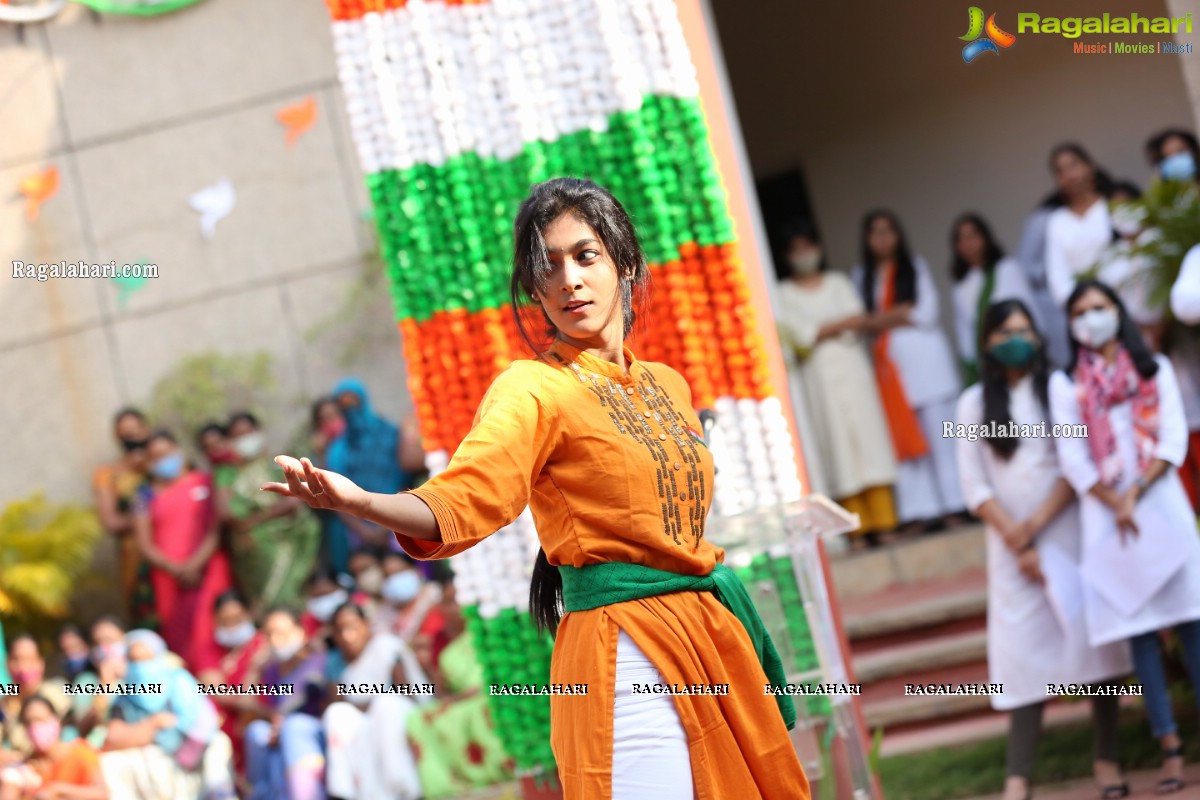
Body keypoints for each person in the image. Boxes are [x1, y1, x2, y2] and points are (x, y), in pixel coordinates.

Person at [265, 177, 812, 799]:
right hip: (626, 654)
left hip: (708, 632)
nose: (569, 279)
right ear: (534, 289)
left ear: (624, 263)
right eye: (547, 267)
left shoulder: (667, 385)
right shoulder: (532, 387)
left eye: (585, 256)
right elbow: (465, 495)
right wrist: (358, 501)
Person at [955, 299, 1132, 800]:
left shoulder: (1058, 388)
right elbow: (974, 485)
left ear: (1037, 336)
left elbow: (1073, 464)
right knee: (1022, 656)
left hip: (1065, 532)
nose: (1016, 339)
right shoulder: (971, 405)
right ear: (988, 343)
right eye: (1004, 331)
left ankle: (1108, 762)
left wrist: (1034, 527)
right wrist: (1017, 538)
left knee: (1094, 648)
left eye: (1024, 329)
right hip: (1009, 547)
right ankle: (1018, 779)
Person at [1049, 280, 1200, 795]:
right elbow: (1073, 459)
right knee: (1143, 641)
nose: (1092, 318)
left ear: (1118, 311)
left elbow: (1173, 437)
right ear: (1070, 324)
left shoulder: (1152, 366)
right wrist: (1117, 501)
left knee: (1193, 628)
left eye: (1100, 308)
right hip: (1109, 523)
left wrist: (1135, 492)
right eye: (1081, 312)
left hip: (1161, 512)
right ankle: (1171, 752)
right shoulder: (1067, 385)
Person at [774, 220, 899, 547]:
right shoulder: (782, 293)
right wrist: (833, 327)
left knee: (869, 441)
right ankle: (854, 530)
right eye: (796, 249)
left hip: (852, 368)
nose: (804, 254)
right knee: (837, 448)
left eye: (808, 246)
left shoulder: (838, 281)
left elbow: (858, 319)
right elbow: (798, 334)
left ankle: (885, 523)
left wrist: (821, 329)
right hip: (819, 379)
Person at [852, 209, 968, 535]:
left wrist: (881, 318)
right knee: (906, 447)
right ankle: (921, 511)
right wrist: (898, 314)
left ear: (898, 235)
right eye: (876, 231)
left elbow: (926, 313)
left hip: (929, 366)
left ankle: (955, 506)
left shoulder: (913, 266)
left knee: (942, 441)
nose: (883, 238)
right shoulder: (862, 277)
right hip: (893, 373)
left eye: (889, 230)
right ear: (867, 239)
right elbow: (863, 322)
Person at [133, 431, 234, 672]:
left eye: (167, 453)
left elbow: (215, 526)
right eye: (155, 457)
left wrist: (196, 563)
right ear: (148, 463)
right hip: (169, 578)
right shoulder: (144, 496)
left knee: (217, 624)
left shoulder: (205, 481)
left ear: (179, 450)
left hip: (209, 568)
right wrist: (175, 569)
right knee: (186, 636)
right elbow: (144, 545)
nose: (164, 460)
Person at [405, 586, 514, 798]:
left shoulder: (490, 630)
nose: (455, 607)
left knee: (485, 704)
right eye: (448, 602)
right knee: (418, 718)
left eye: (458, 600)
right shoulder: (441, 645)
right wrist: (426, 667)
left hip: (494, 691)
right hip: (463, 698)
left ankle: (502, 769)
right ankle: (447, 784)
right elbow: (441, 692)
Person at [99, 630, 235, 800]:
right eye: (134, 660)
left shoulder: (178, 681)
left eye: (146, 658)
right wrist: (154, 724)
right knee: (113, 762)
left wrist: (145, 733)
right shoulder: (126, 695)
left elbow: (197, 723)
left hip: (191, 753)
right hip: (149, 761)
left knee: (218, 744)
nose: (141, 666)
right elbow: (113, 738)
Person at [320, 603, 427, 800]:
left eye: (352, 627)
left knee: (384, 705)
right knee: (336, 714)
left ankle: (406, 791)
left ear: (366, 625)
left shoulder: (385, 646)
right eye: (340, 630)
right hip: (367, 722)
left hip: (399, 711)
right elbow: (341, 703)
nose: (347, 636)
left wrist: (373, 704)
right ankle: (347, 793)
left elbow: (406, 692)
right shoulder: (339, 666)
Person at [221, 412, 320, 615]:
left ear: (259, 433)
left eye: (249, 433)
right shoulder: (229, 474)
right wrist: (270, 514)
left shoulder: (276, 465)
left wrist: (263, 516)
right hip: (257, 545)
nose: (245, 440)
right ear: (230, 442)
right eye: (238, 436)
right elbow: (231, 514)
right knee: (269, 598)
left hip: (290, 534)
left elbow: (295, 499)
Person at [324, 379, 425, 553]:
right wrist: (364, 530)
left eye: (354, 402)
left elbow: (405, 480)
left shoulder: (389, 435)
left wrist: (387, 524)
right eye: (344, 405)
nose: (351, 410)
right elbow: (335, 494)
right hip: (359, 533)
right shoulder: (338, 450)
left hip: (399, 521)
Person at [242, 608, 328, 800]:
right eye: (269, 634)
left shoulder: (317, 661)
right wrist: (255, 667)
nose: (275, 640)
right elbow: (245, 700)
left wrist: (281, 724)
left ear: (300, 632)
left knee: (293, 727)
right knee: (256, 732)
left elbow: (319, 704)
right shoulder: (272, 671)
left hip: (309, 733)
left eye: (281, 633)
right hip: (280, 730)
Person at [949, 214, 1036, 385]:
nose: (969, 243)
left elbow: (1028, 310)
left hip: (1016, 349)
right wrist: (971, 364)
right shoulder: (960, 285)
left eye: (973, 235)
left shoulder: (1006, 268)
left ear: (985, 237)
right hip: (985, 359)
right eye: (962, 238)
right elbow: (965, 330)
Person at [194, 591, 268, 786]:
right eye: (224, 620)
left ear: (249, 614)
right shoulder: (208, 649)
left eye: (237, 618)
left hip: (256, 719)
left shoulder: (265, 644)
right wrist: (253, 672)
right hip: (219, 725)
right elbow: (220, 693)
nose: (231, 626)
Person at [91, 408, 156, 629]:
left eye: (137, 430)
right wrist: (147, 519)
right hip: (137, 557)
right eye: (126, 433)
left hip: (177, 545)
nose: (134, 437)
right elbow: (110, 521)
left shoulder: (163, 463)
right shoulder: (108, 474)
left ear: (147, 429)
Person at [1044, 144, 1114, 308]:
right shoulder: (1056, 221)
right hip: (1083, 309)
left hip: (1127, 304)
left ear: (1090, 166)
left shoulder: (1112, 206)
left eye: (1073, 165)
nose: (1069, 175)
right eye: (1060, 171)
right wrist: (1080, 305)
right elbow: (1057, 275)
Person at [0, 696, 107, 800]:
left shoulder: (80, 752)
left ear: (56, 720)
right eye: (29, 723)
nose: (35, 727)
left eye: (40, 719)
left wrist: (58, 790)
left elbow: (102, 794)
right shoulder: (25, 769)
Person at [1, 636, 72, 762]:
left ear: (40, 662)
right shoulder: (5, 703)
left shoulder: (56, 694)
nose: (23, 667)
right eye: (17, 660)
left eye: (29, 659)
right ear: (7, 664)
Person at [308, 398, 349, 573]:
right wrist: (322, 453)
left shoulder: (359, 446)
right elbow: (322, 490)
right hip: (340, 521)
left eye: (334, 415)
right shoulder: (317, 454)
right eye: (324, 419)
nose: (331, 423)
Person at [372, 552, 445, 645]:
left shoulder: (435, 596)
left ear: (415, 570)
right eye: (389, 575)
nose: (395, 579)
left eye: (400, 572)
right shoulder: (385, 612)